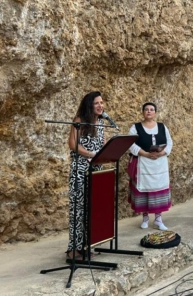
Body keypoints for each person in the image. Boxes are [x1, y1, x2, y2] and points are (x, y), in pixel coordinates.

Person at [66, 91, 106, 259]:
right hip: (81, 170)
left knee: (92, 209)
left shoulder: (102, 122)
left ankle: (87, 246)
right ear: (89, 105)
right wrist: (92, 154)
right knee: (79, 210)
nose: (100, 106)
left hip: (96, 170)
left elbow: (103, 143)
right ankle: (73, 249)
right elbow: (72, 144)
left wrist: (104, 154)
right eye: (96, 103)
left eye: (102, 102)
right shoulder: (79, 121)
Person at [128, 102, 173, 230]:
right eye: (146, 109)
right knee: (145, 191)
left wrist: (161, 153)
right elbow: (131, 144)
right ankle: (145, 218)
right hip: (143, 164)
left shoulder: (162, 127)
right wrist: (146, 154)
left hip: (159, 165)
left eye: (151, 109)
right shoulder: (135, 127)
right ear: (143, 112)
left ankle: (158, 219)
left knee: (158, 190)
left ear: (155, 113)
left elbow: (169, 143)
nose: (149, 111)